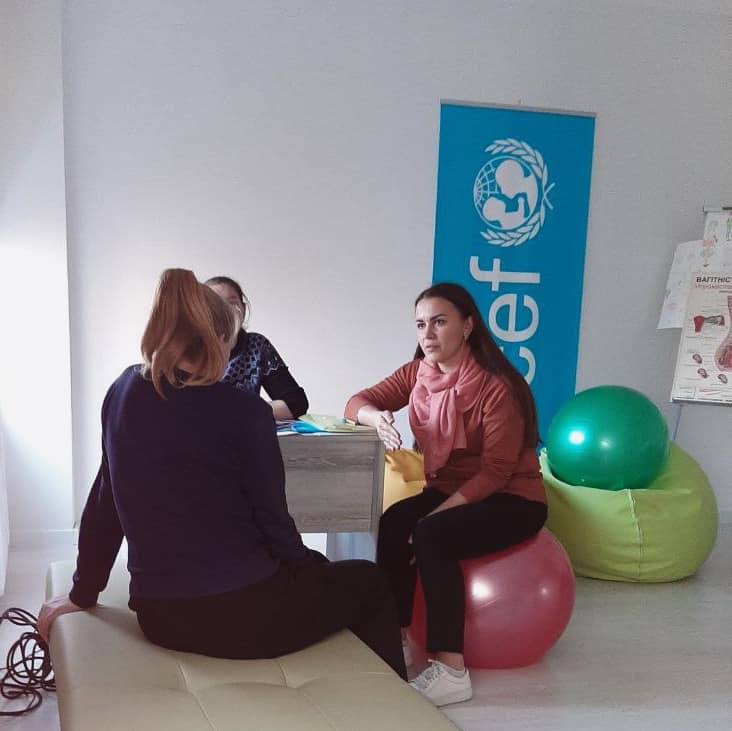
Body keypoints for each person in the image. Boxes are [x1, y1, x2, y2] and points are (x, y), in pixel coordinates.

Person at [39, 269, 406, 680]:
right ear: (217, 340)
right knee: (370, 581)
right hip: (244, 617)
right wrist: (310, 572)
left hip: (159, 617)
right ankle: (394, 705)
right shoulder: (245, 412)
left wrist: (82, 592)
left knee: (322, 570)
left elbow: (104, 503)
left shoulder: (123, 390)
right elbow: (274, 522)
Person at [344, 282, 547, 706]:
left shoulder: (497, 386)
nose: (428, 334)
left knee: (432, 535)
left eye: (439, 322)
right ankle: (399, 640)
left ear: (468, 326)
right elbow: (357, 401)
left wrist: (435, 517)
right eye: (421, 324)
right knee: (392, 524)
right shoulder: (418, 373)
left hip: (514, 498)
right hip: (449, 488)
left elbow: (496, 472)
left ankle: (452, 670)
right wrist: (377, 417)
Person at [205, 275, 308, 420]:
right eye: (215, 304)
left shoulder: (256, 345)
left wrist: (244, 411)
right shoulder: (191, 350)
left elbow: (296, 402)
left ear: (243, 309)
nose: (225, 311)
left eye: (232, 304)